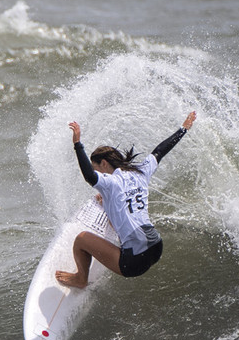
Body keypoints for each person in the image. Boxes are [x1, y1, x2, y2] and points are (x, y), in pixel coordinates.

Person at [55, 111, 197, 289]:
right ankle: (120, 244)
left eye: (97, 168)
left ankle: (81, 278)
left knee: (81, 239)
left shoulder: (111, 182)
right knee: (118, 217)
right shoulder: (141, 171)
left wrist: (77, 144)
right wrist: (183, 128)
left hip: (134, 261)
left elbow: (89, 176)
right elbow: (160, 151)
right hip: (156, 247)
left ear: (104, 164)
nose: (97, 173)